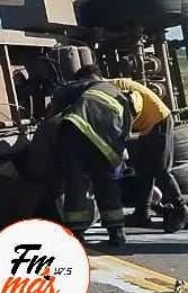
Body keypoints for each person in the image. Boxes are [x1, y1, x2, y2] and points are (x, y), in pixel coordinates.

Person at [45, 64, 135, 248]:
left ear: (90, 76)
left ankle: (77, 234)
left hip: (78, 131)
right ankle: (117, 233)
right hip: (107, 140)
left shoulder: (87, 84)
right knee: (107, 183)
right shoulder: (117, 93)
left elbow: (60, 94)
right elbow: (126, 128)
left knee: (76, 183)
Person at [109, 76, 188, 233]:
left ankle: (181, 209)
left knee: (160, 169)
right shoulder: (109, 87)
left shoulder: (113, 90)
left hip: (159, 120)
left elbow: (132, 104)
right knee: (144, 171)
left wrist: (121, 136)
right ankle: (142, 214)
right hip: (148, 125)